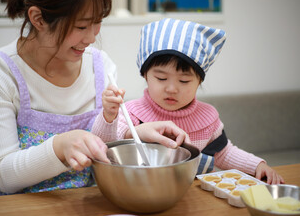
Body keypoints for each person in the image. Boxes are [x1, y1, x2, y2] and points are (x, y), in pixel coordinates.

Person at [0, 0, 188, 197]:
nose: (92, 37)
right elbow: (4, 176)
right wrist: (59, 146)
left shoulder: (101, 66)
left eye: (98, 21)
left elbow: (101, 144)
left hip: (83, 205)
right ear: (38, 18)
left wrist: (134, 134)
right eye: (81, 26)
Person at [92, 18, 285, 184]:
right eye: (161, 78)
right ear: (145, 75)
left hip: (189, 196)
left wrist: (257, 164)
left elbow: (224, 153)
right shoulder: (131, 112)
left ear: (199, 81)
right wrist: (109, 115)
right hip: (140, 193)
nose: (172, 88)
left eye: (184, 80)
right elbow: (105, 144)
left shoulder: (207, 118)